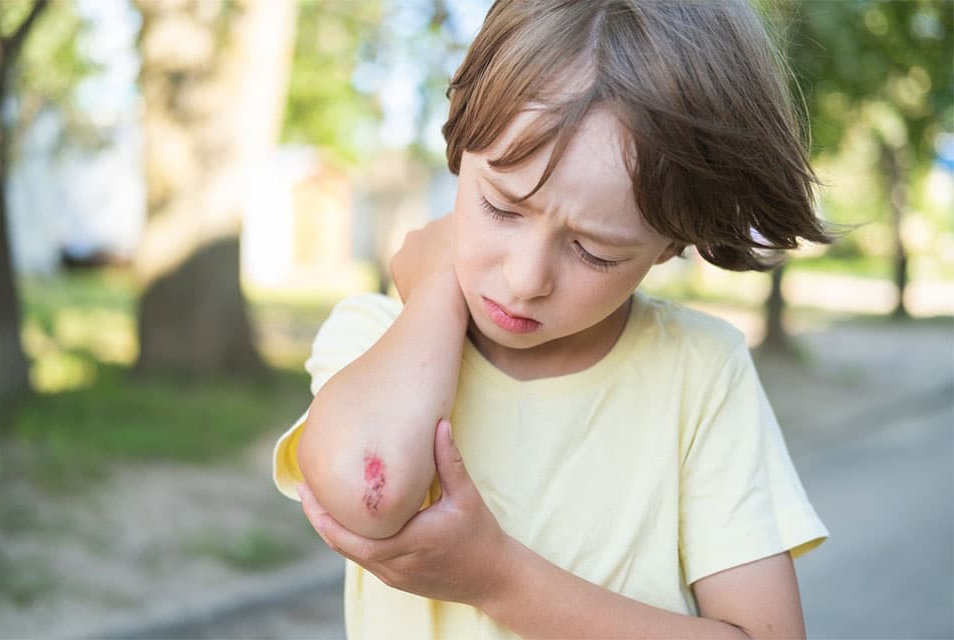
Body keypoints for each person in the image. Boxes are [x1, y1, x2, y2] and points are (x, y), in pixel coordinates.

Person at [272, 1, 831, 638]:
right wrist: (433, 293)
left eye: (594, 251)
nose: (525, 279)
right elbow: (363, 495)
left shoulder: (699, 371)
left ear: (674, 242)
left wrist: (496, 577)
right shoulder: (376, 337)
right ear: (461, 140)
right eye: (502, 208)